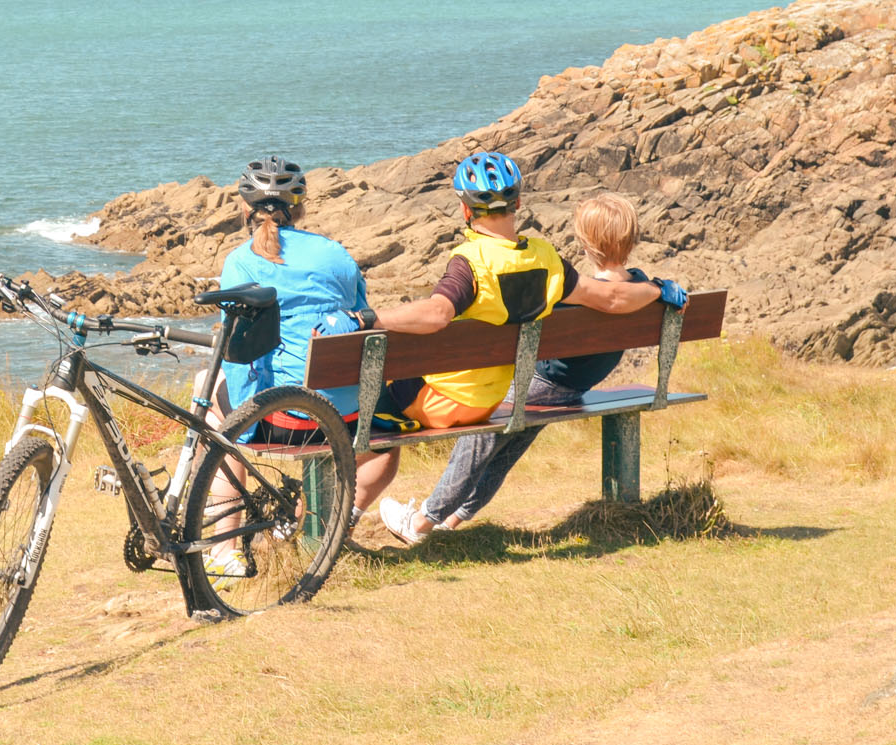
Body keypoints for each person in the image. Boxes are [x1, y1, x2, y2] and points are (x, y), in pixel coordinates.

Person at [359, 158, 684, 544]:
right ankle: (446, 520)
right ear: (517, 204)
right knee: (505, 442)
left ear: (465, 209)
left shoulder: (470, 263)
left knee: (384, 418)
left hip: (472, 395)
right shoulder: (547, 261)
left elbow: (437, 313)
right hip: (529, 392)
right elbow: (611, 297)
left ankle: (411, 521)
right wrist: (657, 290)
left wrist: (368, 317)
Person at [211, 155, 406, 518]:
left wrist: (244, 428)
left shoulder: (240, 261)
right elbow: (361, 328)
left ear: (244, 206)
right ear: (299, 209)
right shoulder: (335, 254)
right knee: (386, 451)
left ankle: (224, 548)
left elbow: (237, 355)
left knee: (209, 403)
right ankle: (339, 524)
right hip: (347, 418)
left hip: (284, 423)